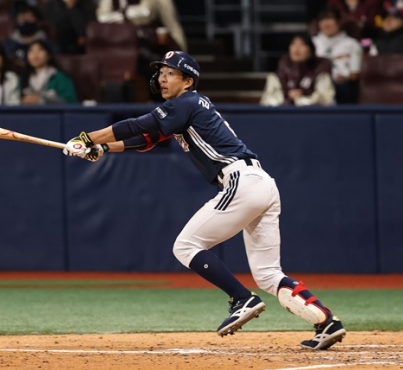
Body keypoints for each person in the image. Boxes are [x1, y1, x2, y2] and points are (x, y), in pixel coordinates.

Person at [62, 50, 347, 350]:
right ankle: (326, 321)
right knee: (267, 273)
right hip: (262, 184)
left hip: (241, 181)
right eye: (161, 72)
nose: (162, 77)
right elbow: (146, 139)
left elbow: (138, 125)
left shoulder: (186, 102)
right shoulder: (185, 108)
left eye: (170, 73)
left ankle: (242, 298)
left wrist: (89, 138)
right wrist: (104, 150)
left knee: (185, 246)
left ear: (188, 81)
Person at [261, 33, 335, 106]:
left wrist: (303, 94)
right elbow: (268, 103)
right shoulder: (278, 75)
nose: (297, 48)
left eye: (302, 44)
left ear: (311, 51)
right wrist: (287, 95)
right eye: (293, 44)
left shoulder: (321, 71)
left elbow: (327, 101)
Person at [313, 7, 363, 103]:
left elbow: (355, 74)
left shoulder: (352, 44)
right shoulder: (312, 44)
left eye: (330, 19)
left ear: (339, 22)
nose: (326, 24)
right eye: (323, 20)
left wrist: (345, 77)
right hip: (315, 85)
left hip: (342, 86)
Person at [2, 3, 60, 69]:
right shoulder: (7, 44)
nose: (25, 20)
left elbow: (56, 62)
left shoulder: (49, 44)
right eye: (22, 17)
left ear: (38, 22)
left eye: (29, 17)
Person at [20, 39, 79, 104]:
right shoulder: (23, 79)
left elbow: (71, 103)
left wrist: (41, 101)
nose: (35, 54)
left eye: (40, 50)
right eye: (31, 51)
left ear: (49, 55)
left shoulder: (61, 78)